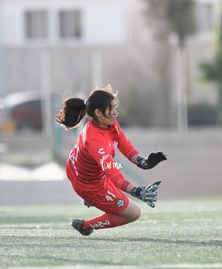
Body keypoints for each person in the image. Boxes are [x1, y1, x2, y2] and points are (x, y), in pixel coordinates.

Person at [55, 85, 167, 236]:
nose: (116, 112)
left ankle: (92, 200)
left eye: (115, 107)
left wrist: (142, 161)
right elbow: (115, 176)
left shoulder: (108, 122)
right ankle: (85, 225)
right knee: (134, 213)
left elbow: (124, 145)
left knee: (123, 203)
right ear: (98, 113)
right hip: (88, 184)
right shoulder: (95, 141)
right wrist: (136, 191)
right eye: (111, 109)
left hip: (86, 171)